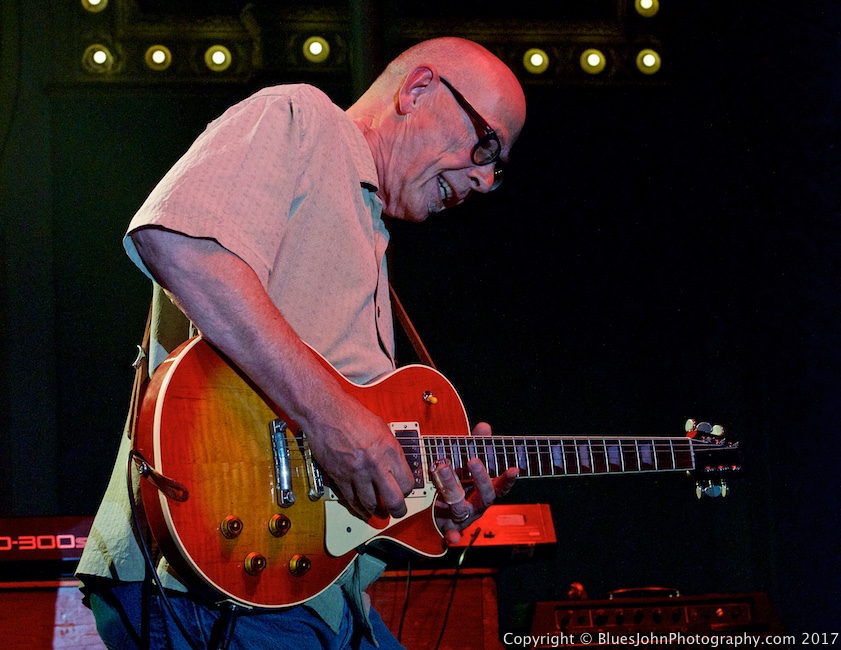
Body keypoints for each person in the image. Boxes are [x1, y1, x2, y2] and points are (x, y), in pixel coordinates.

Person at [77, 36, 527, 649]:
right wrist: (334, 419)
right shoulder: (302, 116)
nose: (482, 177)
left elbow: (337, 472)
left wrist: (428, 511)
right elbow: (179, 244)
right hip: (214, 586)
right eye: (486, 145)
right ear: (417, 89)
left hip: (311, 597)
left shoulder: (368, 232)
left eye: (496, 169)